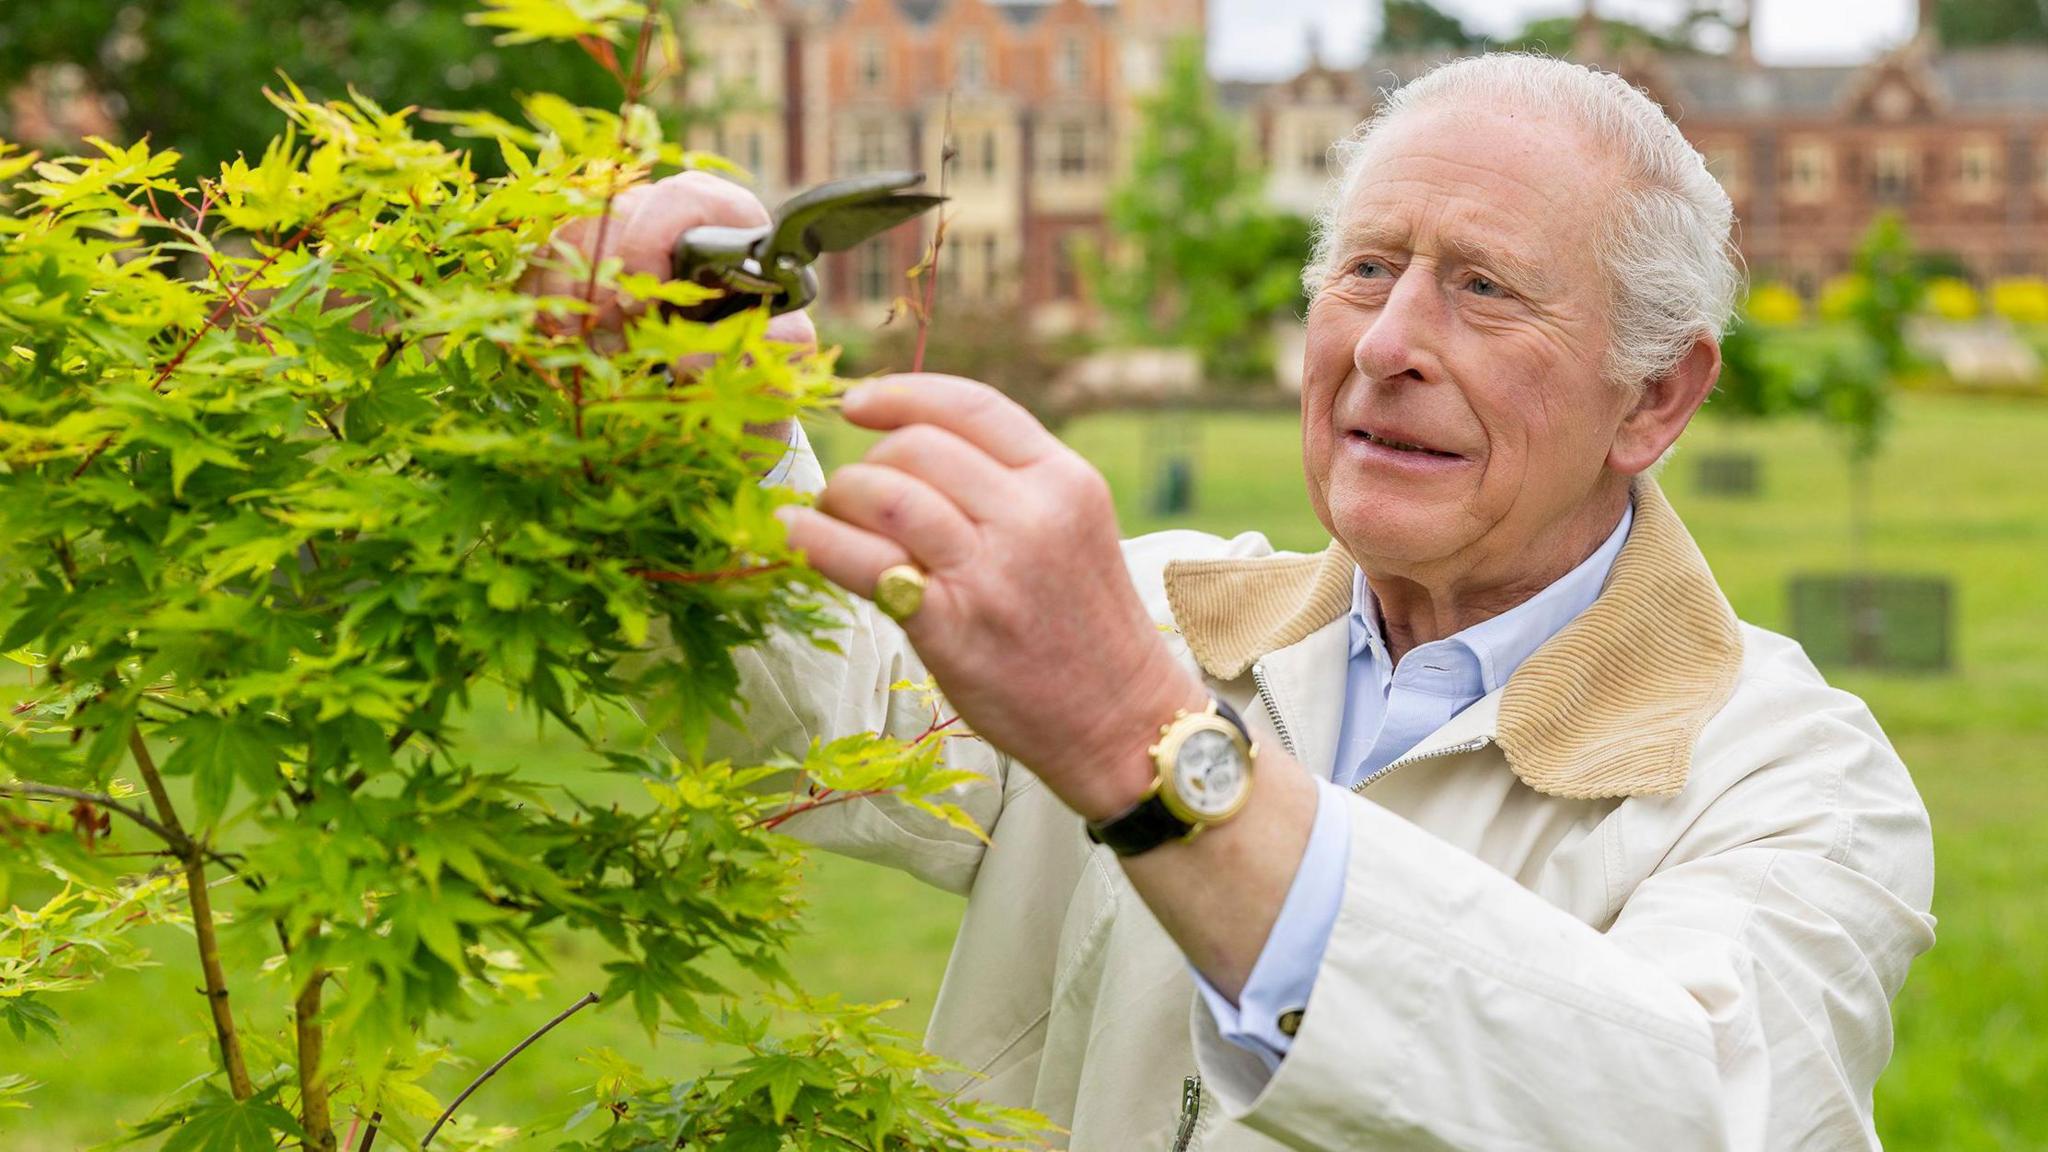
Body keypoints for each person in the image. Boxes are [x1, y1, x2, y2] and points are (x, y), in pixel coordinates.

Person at [546, 53, 1935, 1151]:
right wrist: (693, 408)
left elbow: (1686, 1112)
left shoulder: (1796, 781)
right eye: (1369, 268)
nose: (1388, 346)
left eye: (1484, 288)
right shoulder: (1159, 612)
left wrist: (1147, 756)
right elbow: (805, 712)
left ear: (1656, 396)